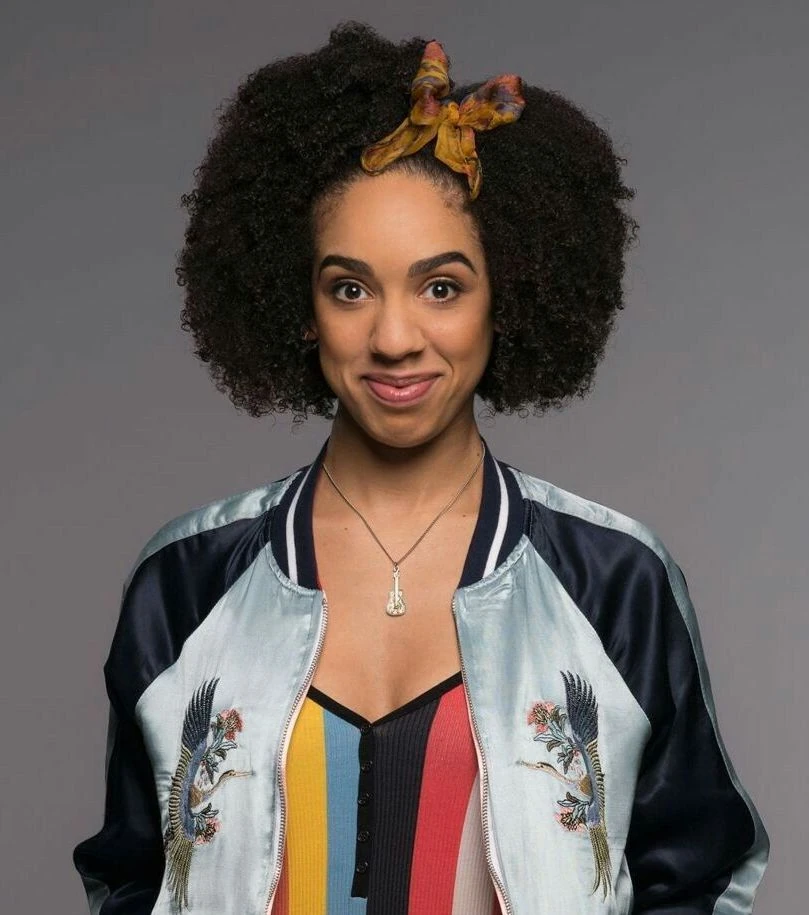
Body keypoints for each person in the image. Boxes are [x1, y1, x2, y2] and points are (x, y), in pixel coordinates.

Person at [73, 21, 768, 915]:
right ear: (300, 306)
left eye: (441, 286)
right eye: (349, 288)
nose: (394, 337)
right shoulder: (187, 579)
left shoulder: (614, 580)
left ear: (504, 294)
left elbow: (700, 877)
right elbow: (131, 877)